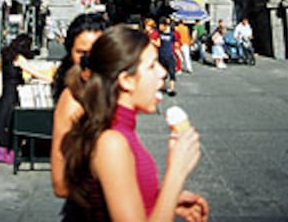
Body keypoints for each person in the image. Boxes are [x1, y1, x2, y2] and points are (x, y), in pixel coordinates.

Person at [63, 24, 209, 222]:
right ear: (127, 80)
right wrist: (176, 172)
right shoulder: (111, 142)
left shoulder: (119, 131)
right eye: (151, 66)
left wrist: (162, 201)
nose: (162, 73)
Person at [51, 13, 109, 208]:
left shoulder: (109, 90)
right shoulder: (72, 101)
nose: (89, 60)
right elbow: (60, 184)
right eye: (81, 53)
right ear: (70, 53)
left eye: (97, 51)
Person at [0, 33, 51, 164]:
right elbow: (34, 72)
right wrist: (50, 79)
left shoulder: (5, 54)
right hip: (13, 92)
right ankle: (5, 152)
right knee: (10, 122)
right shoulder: (19, 58)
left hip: (2, 91)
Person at [157, 17, 177, 96]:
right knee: (162, 73)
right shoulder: (159, 33)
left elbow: (175, 43)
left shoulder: (172, 34)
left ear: (165, 26)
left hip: (169, 55)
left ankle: (172, 89)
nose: (159, 27)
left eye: (161, 25)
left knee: (171, 72)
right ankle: (163, 87)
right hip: (161, 55)